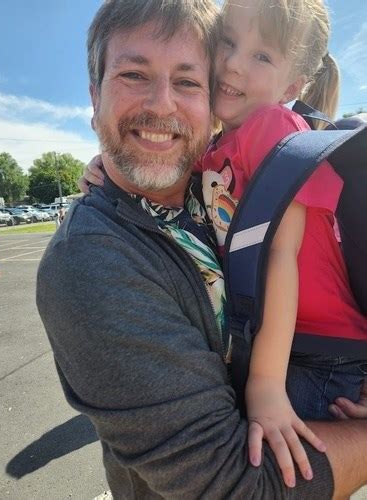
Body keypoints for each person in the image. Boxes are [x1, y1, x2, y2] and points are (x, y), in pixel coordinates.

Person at [37, 1, 367, 498]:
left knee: (282, 452)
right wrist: (106, 156)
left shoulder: (267, 136)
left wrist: (265, 387)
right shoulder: (91, 258)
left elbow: (281, 255)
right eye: (133, 74)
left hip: (320, 355)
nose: (164, 104)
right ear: (94, 96)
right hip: (299, 352)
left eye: (188, 81)